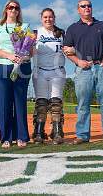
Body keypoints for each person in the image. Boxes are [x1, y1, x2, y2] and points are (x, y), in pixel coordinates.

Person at [63, 0, 103, 144]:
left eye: (89, 6)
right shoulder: (73, 28)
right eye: (83, 6)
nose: (87, 8)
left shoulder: (102, 25)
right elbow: (66, 50)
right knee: (83, 103)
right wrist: (78, 61)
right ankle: (82, 135)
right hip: (83, 70)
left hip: (101, 67)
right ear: (78, 9)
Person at [0, 0, 31, 149]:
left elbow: (30, 51)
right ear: (6, 10)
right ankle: (6, 137)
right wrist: (9, 56)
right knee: (4, 103)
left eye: (16, 8)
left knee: (20, 103)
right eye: (10, 7)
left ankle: (21, 136)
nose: (13, 10)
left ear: (19, 11)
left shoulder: (25, 27)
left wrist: (22, 57)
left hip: (22, 68)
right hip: (3, 67)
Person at [32, 8, 66, 145]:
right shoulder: (35, 33)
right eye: (45, 17)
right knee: (41, 103)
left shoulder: (61, 33)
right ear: (41, 18)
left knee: (56, 103)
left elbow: (69, 49)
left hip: (57, 71)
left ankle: (57, 132)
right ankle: (39, 131)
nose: (48, 19)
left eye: (50, 17)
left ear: (54, 18)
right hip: (40, 70)